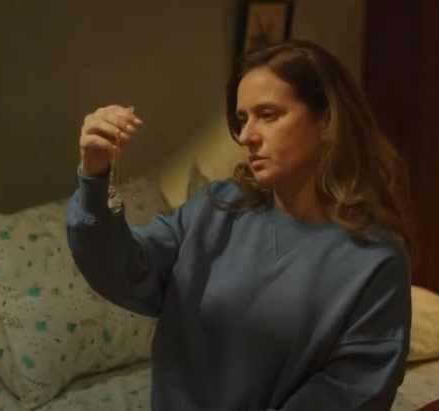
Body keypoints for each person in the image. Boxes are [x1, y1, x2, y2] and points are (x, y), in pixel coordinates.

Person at [66, 39, 414, 411]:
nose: (247, 135)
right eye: (243, 118)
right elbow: (124, 268)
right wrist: (95, 172)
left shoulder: (374, 260)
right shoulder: (219, 209)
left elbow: (351, 391)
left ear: (327, 120)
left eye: (268, 114)